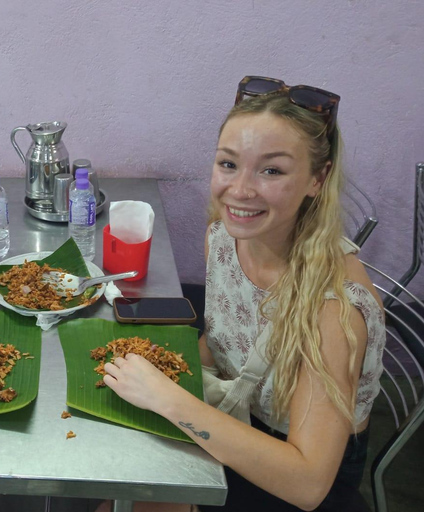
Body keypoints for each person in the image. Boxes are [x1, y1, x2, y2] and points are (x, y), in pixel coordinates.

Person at [98, 77, 385, 512]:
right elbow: (220, 344)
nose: (240, 190)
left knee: (144, 496)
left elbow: (307, 483)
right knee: (121, 480)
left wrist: (167, 398)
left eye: (272, 170)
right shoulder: (224, 236)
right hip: (234, 410)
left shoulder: (335, 309)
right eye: (228, 164)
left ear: (317, 179)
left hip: (292, 471)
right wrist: (168, 374)